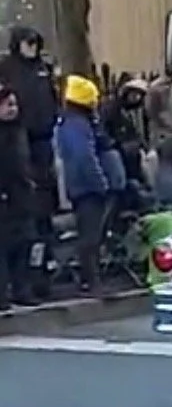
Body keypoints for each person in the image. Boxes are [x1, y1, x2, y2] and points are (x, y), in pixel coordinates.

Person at [0, 27, 60, 296]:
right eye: (28, 42)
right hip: (22, 147)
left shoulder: (42, 70)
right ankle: (18, 283)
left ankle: (41, 278)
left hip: (42, 146)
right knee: (19, 227)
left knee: (41, 220)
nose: (32, 47)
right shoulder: (8, 69)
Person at [54, 75, 118, 295]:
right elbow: (85, 158)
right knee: (90, 236)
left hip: (81, 186)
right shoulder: (78, 125)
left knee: (91, 234)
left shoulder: (70, 123)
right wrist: (100, 182)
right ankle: (91, 280)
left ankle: (89, 278)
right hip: (87, 187)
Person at [0, 81, 35, 310]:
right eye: (7, 104)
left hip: (21, 194)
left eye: (14, 104)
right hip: (4, 195)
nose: (13, 109)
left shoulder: (20, 130)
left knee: (24, 243)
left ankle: (22, 290)